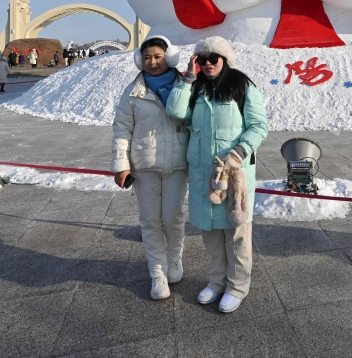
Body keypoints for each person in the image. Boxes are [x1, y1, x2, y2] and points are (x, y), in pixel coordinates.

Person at [166, 36, 267, 314]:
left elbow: (259, 125)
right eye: (202, 59)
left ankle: (237, 287)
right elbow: (175, 111)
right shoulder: (196, 88)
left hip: (234, 173)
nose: (208, 64)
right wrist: (187, 77)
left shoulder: (242, 86)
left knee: (236, 234)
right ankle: (217, 282)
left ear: (225, 60)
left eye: (214, 58)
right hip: (202, 173)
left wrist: (239, 152)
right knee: (211, 234)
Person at [112, 36, 189, 300]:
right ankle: (157, 273)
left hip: (178, 164)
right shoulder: (133, 91)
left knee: (173, 218)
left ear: (169, 57)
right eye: (146, 57)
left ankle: (174, 260)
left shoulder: (186, 86)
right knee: (150, 221)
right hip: (144, 165)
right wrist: (121, 164)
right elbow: (122, 129)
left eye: (157, 56)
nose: (152, 62)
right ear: (139, 60)